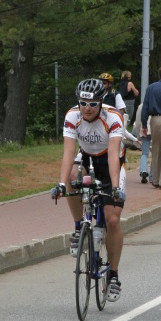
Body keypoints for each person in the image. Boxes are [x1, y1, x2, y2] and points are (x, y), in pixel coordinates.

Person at [51, 78, 125, 301]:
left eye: (92, 104)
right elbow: (68, 152)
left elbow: (113, 154)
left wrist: (115, 187)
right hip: (86, 158)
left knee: (113, 220)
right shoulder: (72, 116)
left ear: (101, 102)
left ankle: (113, 275)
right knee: (72, 179)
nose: (87, 108)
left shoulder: (113, 117)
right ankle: (78, 228)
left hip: (110, 161)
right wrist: (61, 183)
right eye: (83, 103)